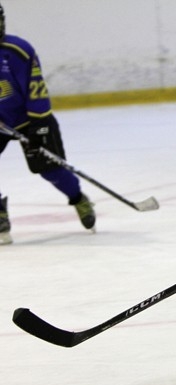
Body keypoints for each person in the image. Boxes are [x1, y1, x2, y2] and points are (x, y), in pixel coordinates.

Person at [0, 3, 95, 245]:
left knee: (50, 168)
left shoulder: (17, 51)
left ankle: (77, 197)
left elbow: (37, 91)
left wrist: (38, 128)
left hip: (29, 119)